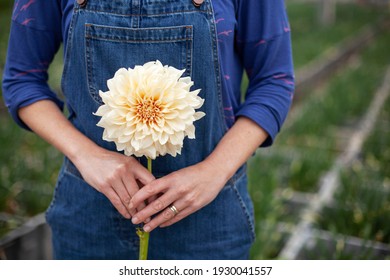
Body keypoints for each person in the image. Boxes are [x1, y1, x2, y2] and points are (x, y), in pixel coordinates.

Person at [2, 0, 294, 259]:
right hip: (89, 218)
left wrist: (213, 172)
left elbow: (273, 81)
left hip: (208, 222)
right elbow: (21, 81)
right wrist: (87, 156)